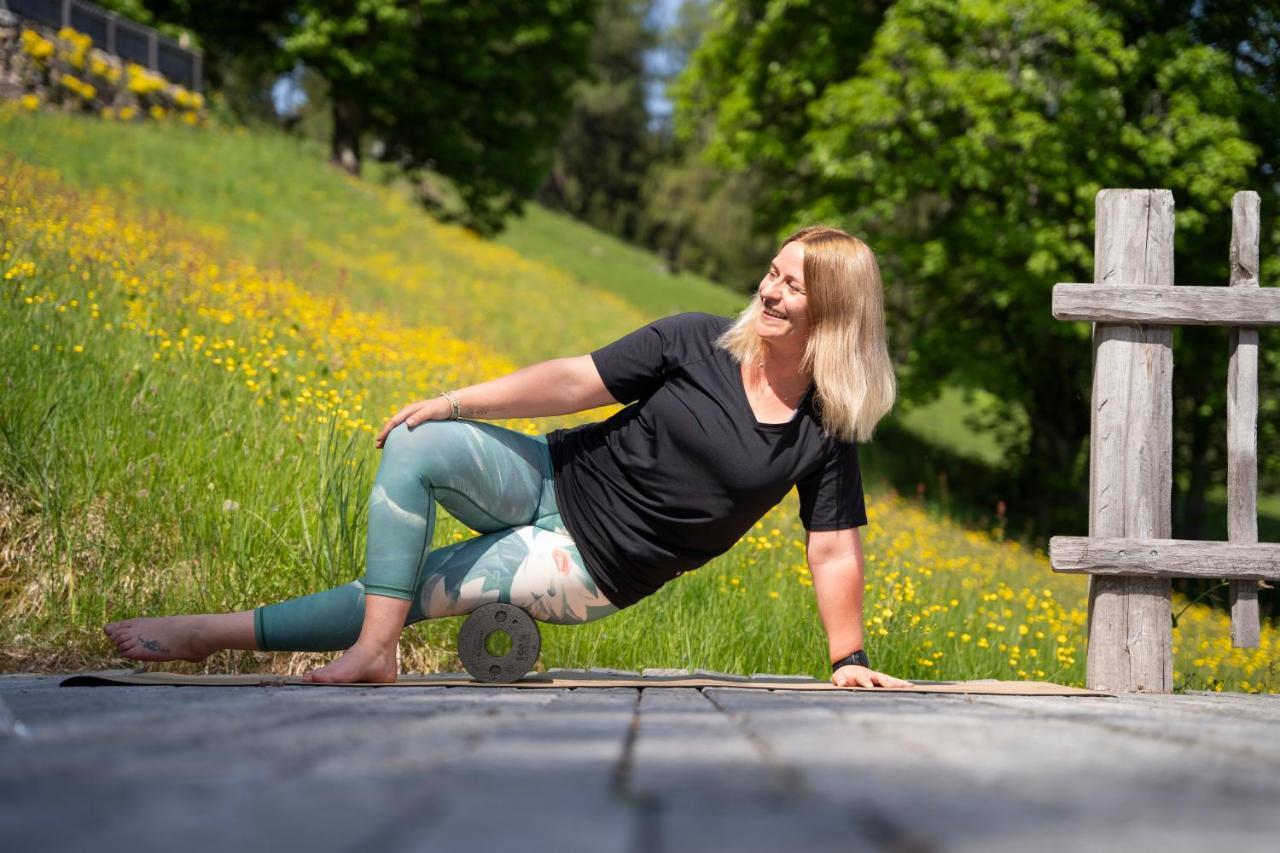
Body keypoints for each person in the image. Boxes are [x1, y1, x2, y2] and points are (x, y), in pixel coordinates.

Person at [104, 225, 913, 689]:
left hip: (590, 564)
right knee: (417, 442)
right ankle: (375, 651)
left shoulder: (824, 427)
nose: (768, 291)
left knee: (415, 588)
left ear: (833, 314)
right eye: (770, 272)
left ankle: (217, 633)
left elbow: (833, 543)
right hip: (549, 472)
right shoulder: (694, 338)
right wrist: (459, 401)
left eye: (792, 286)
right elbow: (573, 380)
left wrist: (848, 658)